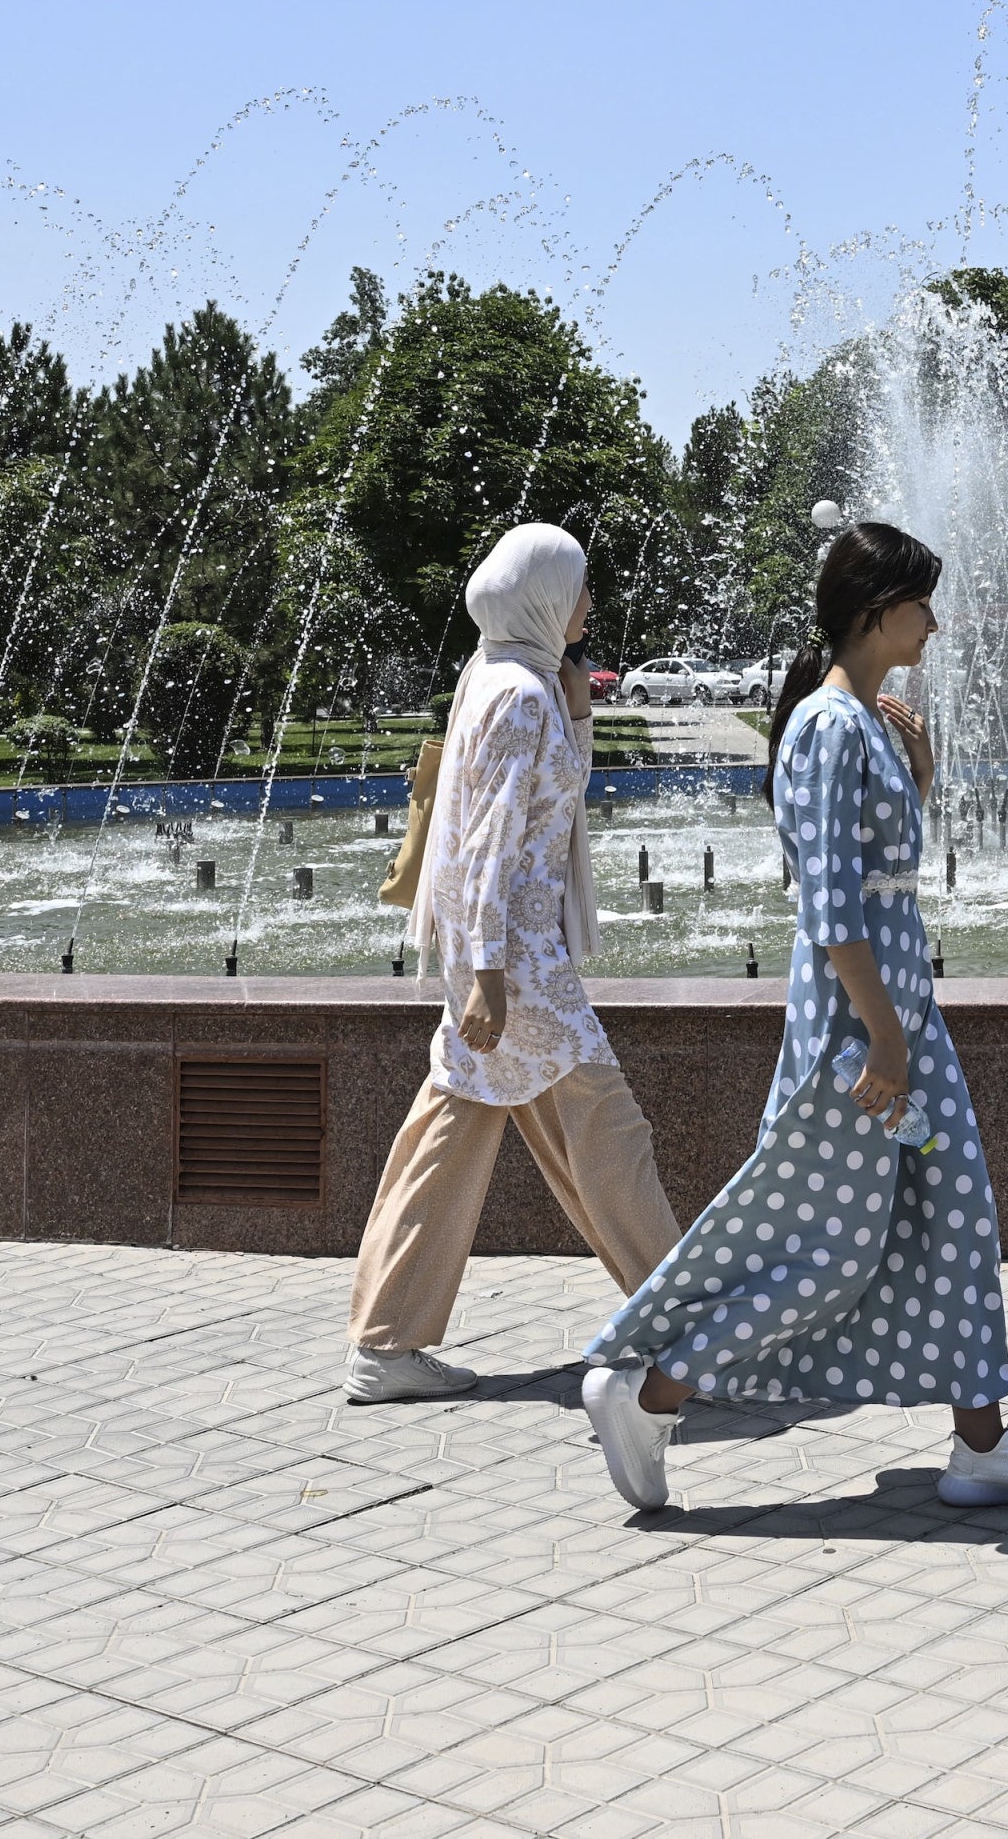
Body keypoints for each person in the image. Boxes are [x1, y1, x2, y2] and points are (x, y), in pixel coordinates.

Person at [576, 519, 1008, 1512]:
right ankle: (649, 1388)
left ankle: (981, 1437)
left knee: (951, 1213)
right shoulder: (826, 726)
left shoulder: (860, 722)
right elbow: (831, 906)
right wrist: (886, 1039)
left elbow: (876, 873)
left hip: (893, 1023)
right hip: (860, 1041)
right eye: (920, 604)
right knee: (830, 1249)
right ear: (874, 610)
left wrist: (920, 775)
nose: (935, 623)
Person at [340, 522, 682, 1402]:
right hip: (517, 959)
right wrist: (487, 969)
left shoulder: (507, 678)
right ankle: (686, 1334)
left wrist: (576, 707)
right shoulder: (515, 694)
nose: (591, 601)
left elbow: (544, 805)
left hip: (506, 950)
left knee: (450, 1134)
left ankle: (386, 1343)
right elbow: (483, 840)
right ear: (542, 594)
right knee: (612, 1137)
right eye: (580, 585)